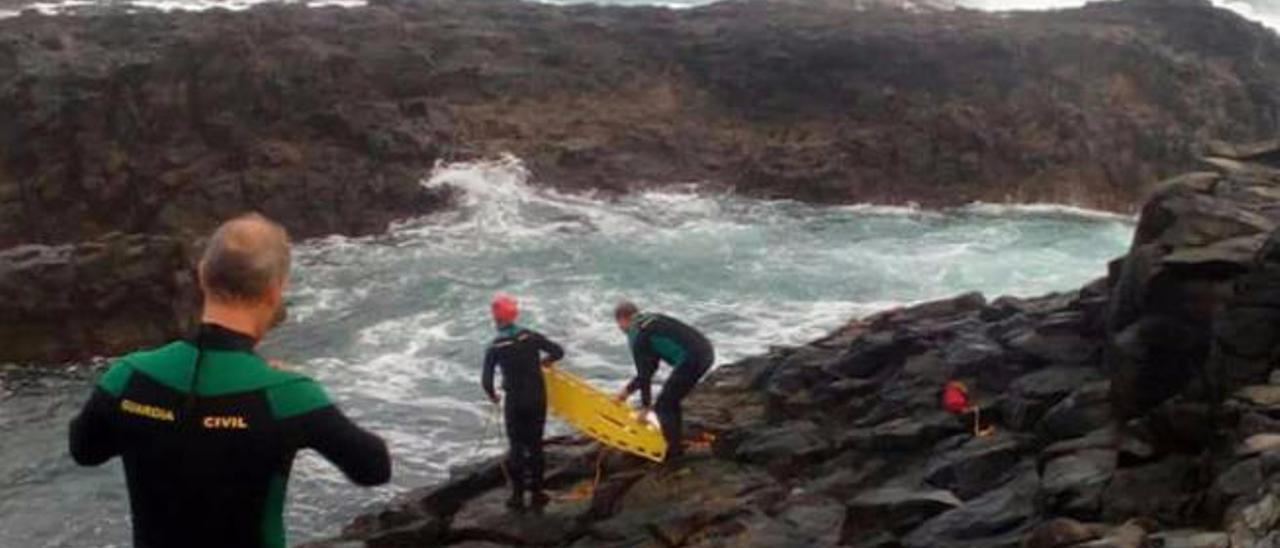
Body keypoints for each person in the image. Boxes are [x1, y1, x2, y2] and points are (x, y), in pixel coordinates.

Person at [68, 213, 391, 548]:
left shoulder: (128, 376)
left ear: (203, 275)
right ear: (273, 291)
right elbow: (374, 467)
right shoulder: (287, 395)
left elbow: (85, 450)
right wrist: (291, 387)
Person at [481, 293, 564, 511]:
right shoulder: (530, 336)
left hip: (515, 401)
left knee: (516, 447)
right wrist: (544, 362)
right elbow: (558, 351)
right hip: (537, 398)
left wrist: (493, 396)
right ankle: (537, 494)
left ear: (496, 319)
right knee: (536, 446)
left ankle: (518, 497)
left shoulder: (495, 347)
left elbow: (486, 381)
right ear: (514, 314)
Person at [613, 301, 714, 461]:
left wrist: (645, 408)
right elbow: (650, 368)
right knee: (670, 401)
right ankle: (676, 443)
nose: (621, 330)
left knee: (664, 405)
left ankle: (674, 453)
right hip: (706, 351)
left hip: (692, 358)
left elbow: (644, 374)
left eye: (619, 325)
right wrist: (626, 392)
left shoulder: (636, 334)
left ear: (622, 320)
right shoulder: (652, 319)